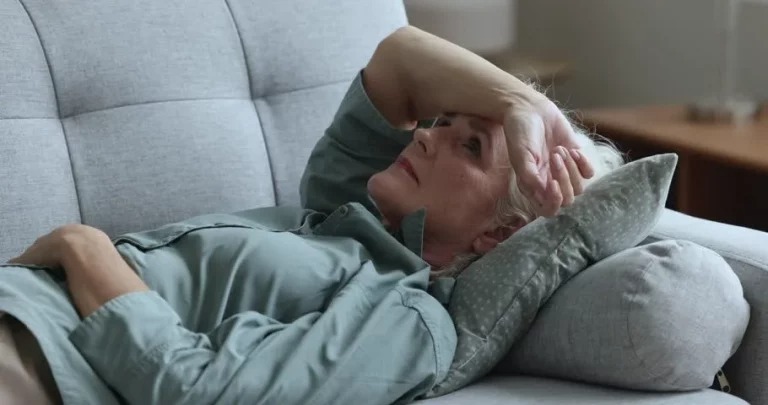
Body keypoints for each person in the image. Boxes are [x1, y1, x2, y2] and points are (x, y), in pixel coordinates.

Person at [0, 26, 622, 405]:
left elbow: (202, 393)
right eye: (443, 121)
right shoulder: (342, 212)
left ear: (501, 232)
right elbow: (399, 56)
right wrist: (521, 104)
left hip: (36, 357)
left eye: (469, 146)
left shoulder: (406, 319)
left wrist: (83, 248)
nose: (426, 135)